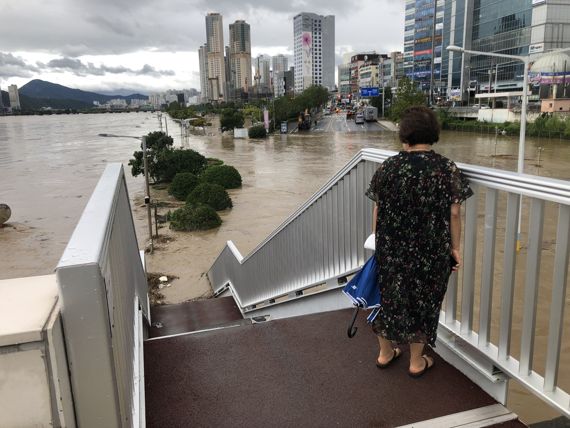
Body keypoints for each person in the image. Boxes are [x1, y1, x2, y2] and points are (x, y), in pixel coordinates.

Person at [365, 105, 473, 378]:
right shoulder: (446, 168)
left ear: (405, 134)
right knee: (424, 300)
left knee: (388, 296)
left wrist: (379, 242)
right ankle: (416, 361)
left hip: (392, 246)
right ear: (433, 134)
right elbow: (455, 212)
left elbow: (377, 208)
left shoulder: (389, 167)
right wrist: (455, 248)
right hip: (431, 249)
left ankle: (385, 353)